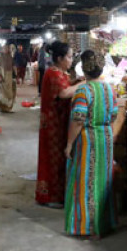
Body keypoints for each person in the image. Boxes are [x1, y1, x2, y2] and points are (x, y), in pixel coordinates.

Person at [64, 51, 125, 237]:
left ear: (83, 69)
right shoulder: (109, 90)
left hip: (87, 138)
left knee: (85, 180)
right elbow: (114, 115)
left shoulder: (83, 91)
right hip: (105, 138)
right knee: (103, 180)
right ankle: (104, 223)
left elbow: (78, 119)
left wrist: (69, 144)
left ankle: (86, 226)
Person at [36, 41, 80, 207]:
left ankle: (56, 194)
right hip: (53, 123)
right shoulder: (53, 73)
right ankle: (52, 197)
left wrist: (77, 82)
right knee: (53, 159)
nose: (71, 60)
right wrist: (87, 83)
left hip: (58, 121)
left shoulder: (60, 72)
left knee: (59, 159)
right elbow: (64, 93)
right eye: (68, 57)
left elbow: (68, 87)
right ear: (60, 58)